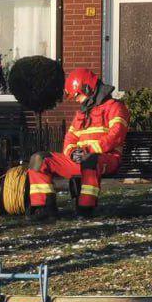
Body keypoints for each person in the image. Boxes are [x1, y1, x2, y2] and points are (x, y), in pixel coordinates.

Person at [27, 68, 129, 220]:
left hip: (105, 159)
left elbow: (116, 135)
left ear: (88, 88)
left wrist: (88, 150)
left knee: (90, 160)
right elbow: (69, 138)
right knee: (39, 160)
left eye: (77, 95)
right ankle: (44, 208)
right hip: (80, 159)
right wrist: (72, 152)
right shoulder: (81, 114)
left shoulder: (115, 107)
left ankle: (85, 208)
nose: (76, 100)